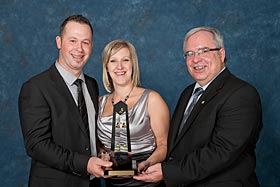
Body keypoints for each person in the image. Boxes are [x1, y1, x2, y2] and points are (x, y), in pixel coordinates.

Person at [134, 26, 263, 186]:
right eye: (190, 53)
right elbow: (178, 146)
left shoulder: (241, 94)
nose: (196, 59)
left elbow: (221, 152)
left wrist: (168, 172)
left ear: (221, 54)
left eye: (203, 51)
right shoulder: (188, 93)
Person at [18, 15, 112, 187]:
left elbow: (85, 134)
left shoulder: (91, 85)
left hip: (93, 183)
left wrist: (102, 152)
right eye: (73, 40)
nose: (79, 49)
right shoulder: (36, 87)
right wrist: (85, 164)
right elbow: (37, 145)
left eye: (86, 42)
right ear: (59, 42)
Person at [97, 39, 170, 187]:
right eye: (113, 61)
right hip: (112, 182)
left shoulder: (152, 99)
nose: (120, 67)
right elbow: (97, 143)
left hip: (146, 180)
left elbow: (164, 145)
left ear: (133, 64)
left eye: (125, 60)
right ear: (106, 66)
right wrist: (102, 155)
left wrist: (147, 163)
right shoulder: (98, 103)